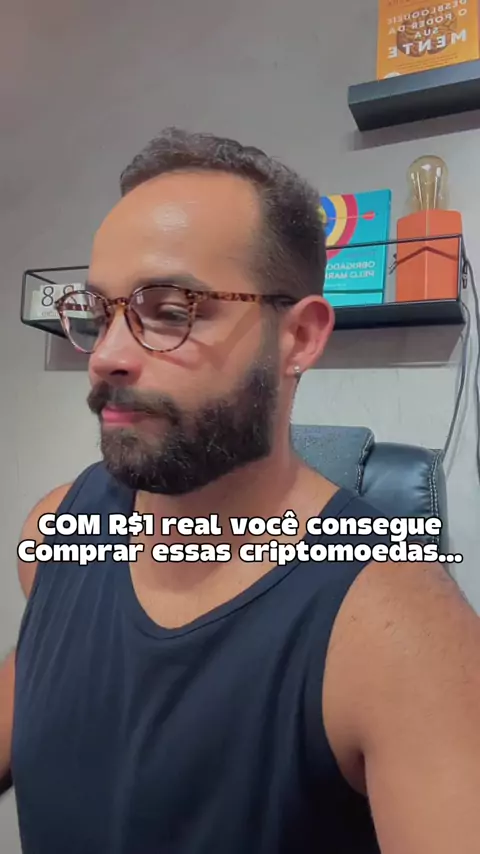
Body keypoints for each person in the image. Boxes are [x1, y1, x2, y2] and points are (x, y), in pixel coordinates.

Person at [1, 128, 480, 854]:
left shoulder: (402, 633)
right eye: (100, 313)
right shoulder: (58, 528)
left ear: (300, 337)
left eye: (171, 310)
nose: (106, 356)